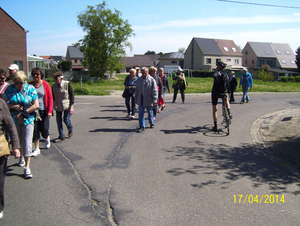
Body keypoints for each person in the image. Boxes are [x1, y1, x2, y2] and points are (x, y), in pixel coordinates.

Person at [3, 71, 39, 178]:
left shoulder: (30, 88)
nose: (20, 85)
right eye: (18, 83)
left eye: (22, 82)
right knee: (18, 140)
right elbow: (3, 103)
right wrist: (13, 107)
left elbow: (36, 105)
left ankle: (27, 168)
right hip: (14, 120)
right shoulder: (10, 89)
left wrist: (24, 113)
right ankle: (21, 156)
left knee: (27, 142)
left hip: (28, 119)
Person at [0, 98, 20, 219]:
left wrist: (15, 146)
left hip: (0, 147)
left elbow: (10, 126)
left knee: (0, 180)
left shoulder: (1, 103)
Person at [29, 67, 53, 156]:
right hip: (33, 111)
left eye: (37, 74)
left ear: (41, 75)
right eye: (34, 74)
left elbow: (50, 98)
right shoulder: (30, 85)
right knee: (35, 129)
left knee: (44, 128)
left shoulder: (45, 84)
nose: (35, 76)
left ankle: (46, 137)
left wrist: (50, 111)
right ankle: (37, 148)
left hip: (43, 110)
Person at [52, 71, 74, 142]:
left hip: (66, 105)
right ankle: (61, 136)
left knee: (66, 119)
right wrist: (52, 106)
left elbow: (71, 95)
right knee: (58, 121)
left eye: (56, 79)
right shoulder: (53, 86)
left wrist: (71, 106)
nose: (55, 80)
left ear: (61, 79)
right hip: (58, 106)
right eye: (54, 79)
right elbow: (52, 97)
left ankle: (70, 128)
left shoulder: (67, 84)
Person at [135, 67, 158, 133]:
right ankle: (142, 126)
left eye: (145, 73)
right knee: (141, 113)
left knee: (150, 112)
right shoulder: (139, 79)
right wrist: (136, 98)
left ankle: (151, 122)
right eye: (142, 73)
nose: (144, 74)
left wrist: (154, 100)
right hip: (141, 99)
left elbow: (155, 90)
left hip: (149, 99)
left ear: (148, 73)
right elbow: (137, 90)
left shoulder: (151, 79)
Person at [211, 62, 232, 132]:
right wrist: (229, 90)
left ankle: (215, 126)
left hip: (215, 91)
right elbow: (228, 83)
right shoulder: (225, 74)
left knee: (215, 109)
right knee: (226, 100)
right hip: (223, 91)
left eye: (217, 66)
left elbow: (215, 78)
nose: (216, 67)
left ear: (219, 67)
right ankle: (229, 112)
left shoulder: (216, 73)